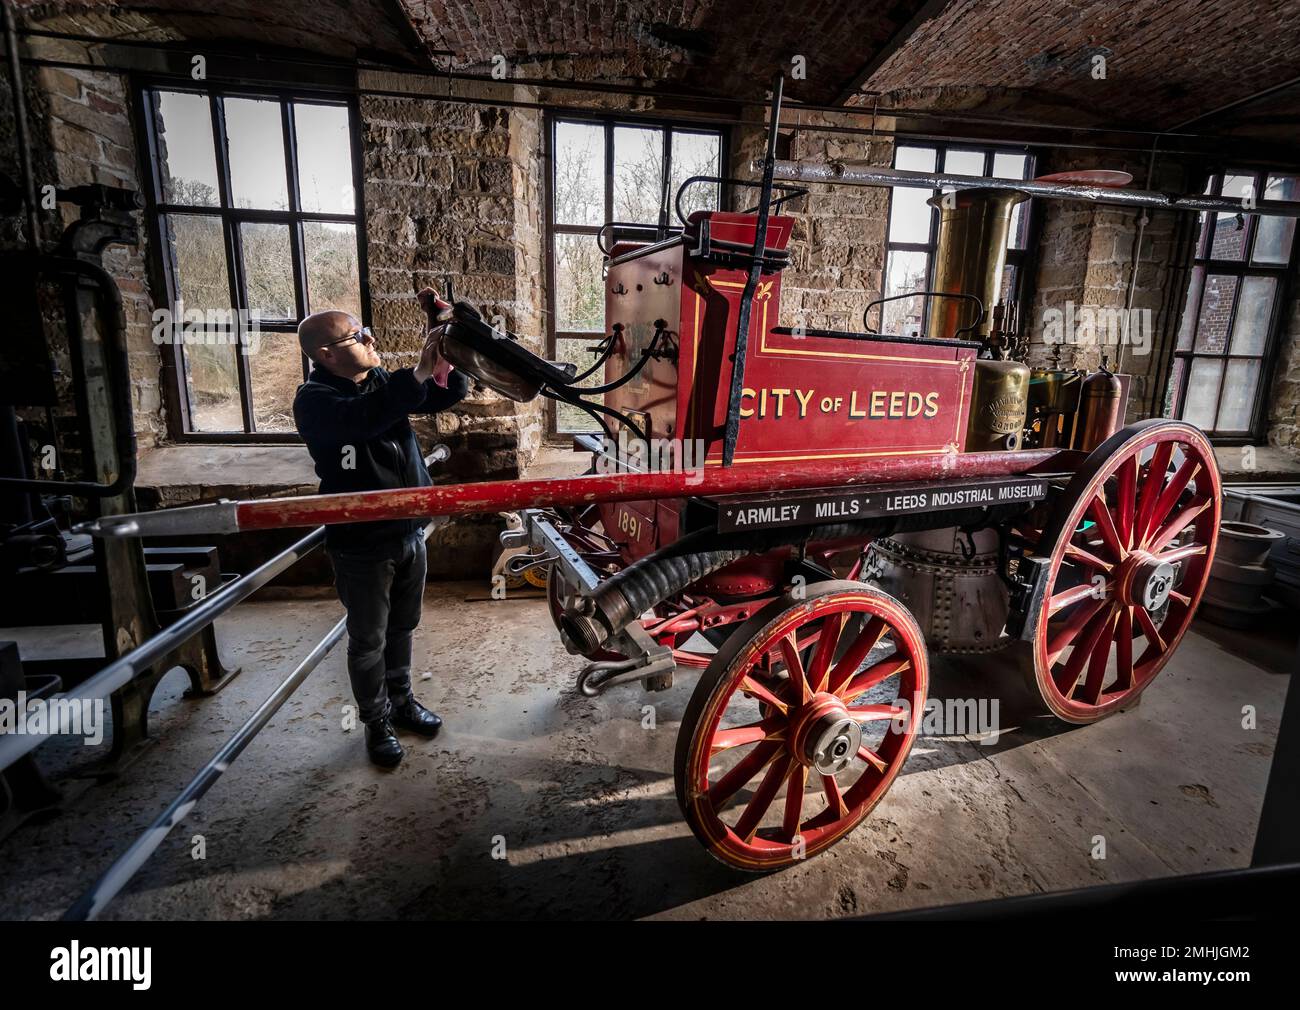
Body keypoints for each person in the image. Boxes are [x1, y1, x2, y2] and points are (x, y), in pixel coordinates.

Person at [293, 292, 468, 768]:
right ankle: (376, 721)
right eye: (357, 336)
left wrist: (450, 347)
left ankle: (402, 701)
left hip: (409, 530)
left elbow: (445, 393)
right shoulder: (316, 401)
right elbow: (366, 421)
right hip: (363, 543)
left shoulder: (378, 382)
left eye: (366, 329)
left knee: (403, 626)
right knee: (369, 638)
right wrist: (415, 373)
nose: (371, 339)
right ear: (326, 355)